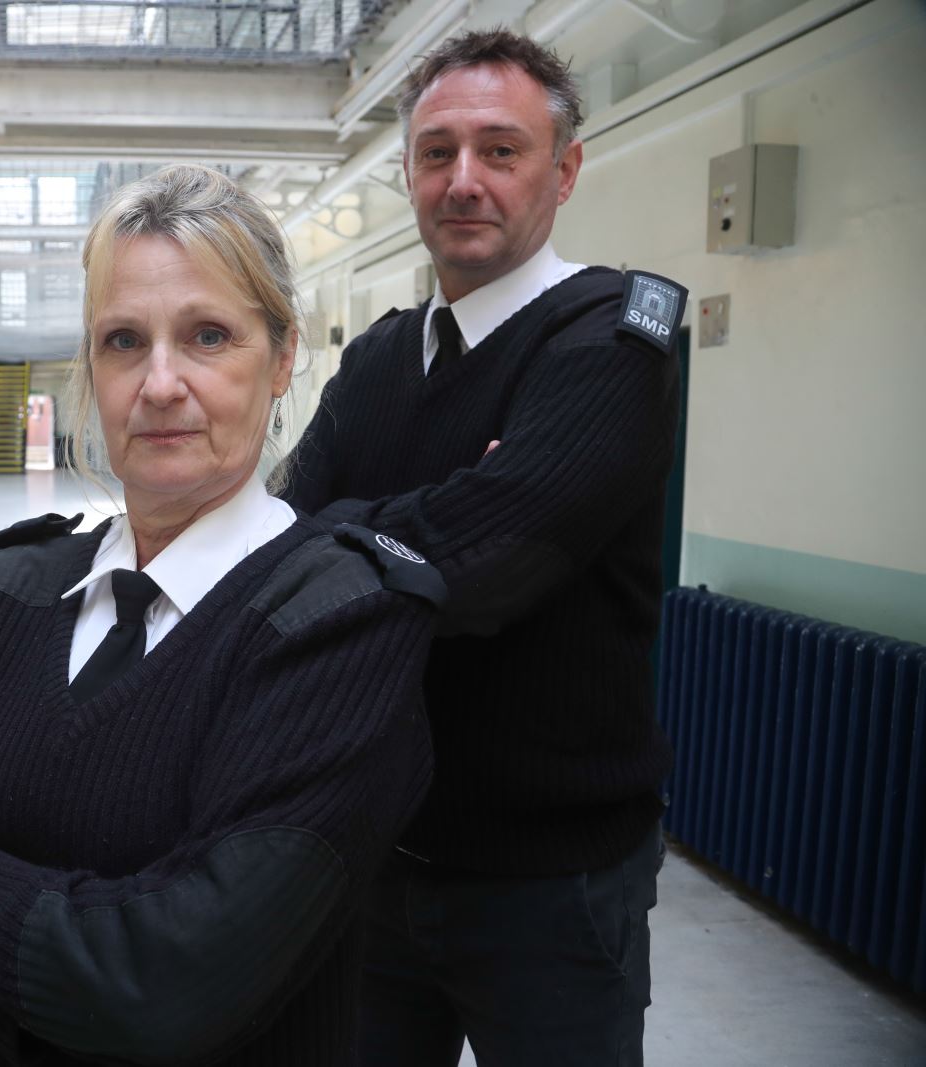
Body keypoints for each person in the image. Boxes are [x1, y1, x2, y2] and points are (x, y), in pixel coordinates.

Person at [0, 164, 445, 1064]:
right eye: (124, 340)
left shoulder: (341, 623)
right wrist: (72, 958)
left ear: (284, 356)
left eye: (208, 335)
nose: (161, 382)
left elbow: (177, 983)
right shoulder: (8, 586)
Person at [282, 29, 685, 1066]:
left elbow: (487, 562)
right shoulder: (377, 357)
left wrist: (352, 526)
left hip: (551, 877)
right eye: (435, 152)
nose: (462, 181)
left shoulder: (611, 339)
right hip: (373, 848)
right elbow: (279, 538)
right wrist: (420, 519)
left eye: (499, 151)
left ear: (564, 168)